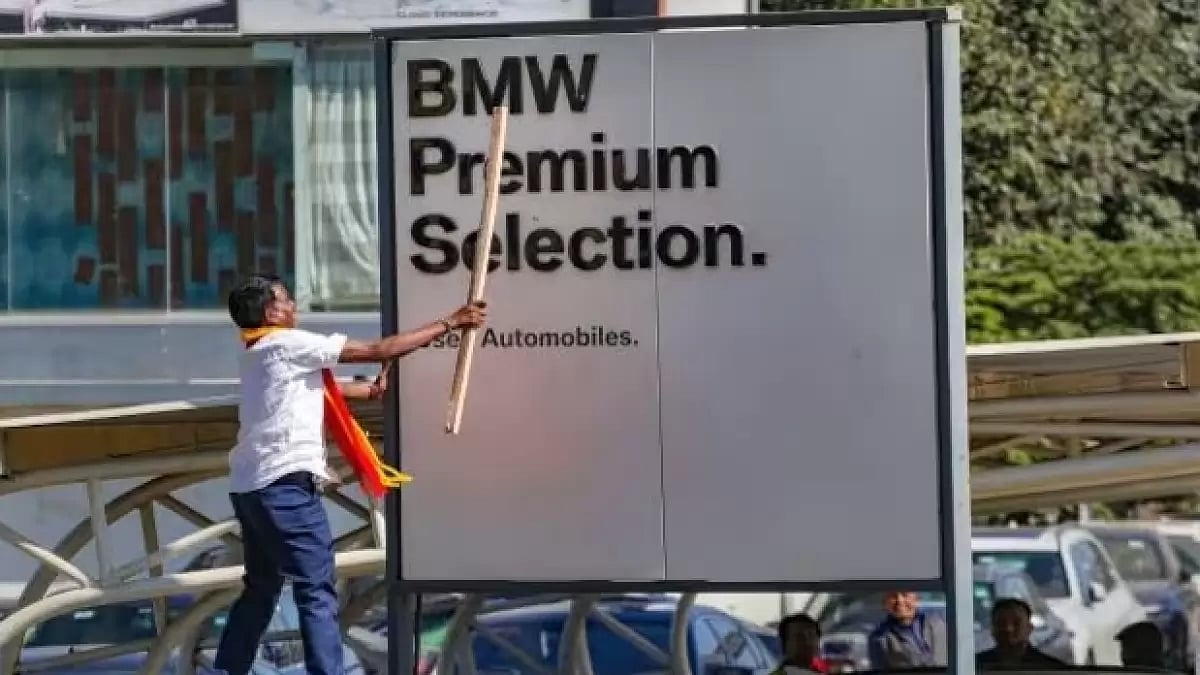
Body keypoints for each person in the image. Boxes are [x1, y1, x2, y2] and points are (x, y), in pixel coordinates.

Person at [212, 274, 487, 675]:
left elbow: (312, 391)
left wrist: (370, 392)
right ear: (271, 311)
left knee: (262, 588)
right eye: (287, 300)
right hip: (286, 484)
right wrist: (452, 322)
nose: (294, 307)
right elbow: (378, 349)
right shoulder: (289, 343)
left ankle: (227, 669)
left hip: (250, 488)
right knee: (316, 588)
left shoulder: (257, 352)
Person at [975, 597, 1069, 668]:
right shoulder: (973, 665)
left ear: (1030, 628)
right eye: (1001, 623)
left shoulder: (1052, 668)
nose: (1008, 629)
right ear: (992, 629)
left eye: (1016, 623)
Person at [867, 591, 947, 669]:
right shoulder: (879, 638)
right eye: (893, 596)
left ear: (916, 598)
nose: (900, 600)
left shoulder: (940, 624)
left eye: (905, 594)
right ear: (885, 603)